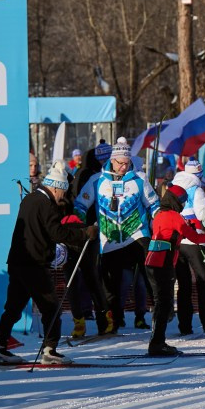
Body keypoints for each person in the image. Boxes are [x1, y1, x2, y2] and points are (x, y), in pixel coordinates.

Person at [0, 162, 91, 366]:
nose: (63, 196)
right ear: (56, 187)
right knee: (51, 308)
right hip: (34, 264)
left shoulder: (30, 199)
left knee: (13, 308)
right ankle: (50, 349)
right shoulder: (46, 204)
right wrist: (84, 234)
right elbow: (57, 233)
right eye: (63, 191)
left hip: (18, 262)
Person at [81, 142, 155, 334]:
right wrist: (81, 225)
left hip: (137, 234)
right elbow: (80, 205)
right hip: (110, 239)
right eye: (120, 163)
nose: (124, 167)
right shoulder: (97, 180)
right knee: (111, 284)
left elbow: (154, 204)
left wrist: (160, 222)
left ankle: (158, 313)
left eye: (127, 162)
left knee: (150, 274)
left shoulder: (139, 179)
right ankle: (111, 322)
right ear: (112, 161)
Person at [143, 184, 186, 357]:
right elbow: (194, 237)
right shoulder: (174, 216)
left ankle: (157, 340)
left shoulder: (159, 214)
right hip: (163, 263)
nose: (183, 205)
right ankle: (157, 343)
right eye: (182, 201)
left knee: (160, 302)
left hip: (152, 261)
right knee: (164, 303)